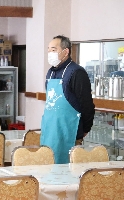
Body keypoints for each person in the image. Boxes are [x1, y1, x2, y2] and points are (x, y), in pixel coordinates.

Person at [41, 35, 95, 164]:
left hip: (69, 132)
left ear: (66, 51)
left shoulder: (76, 72)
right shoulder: (51, 72)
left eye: (53, 50)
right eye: (48, 50)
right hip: (50, 131)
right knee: (47, 168)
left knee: (67, 172)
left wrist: (85, 128)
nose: (50, 53)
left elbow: (86, 104)